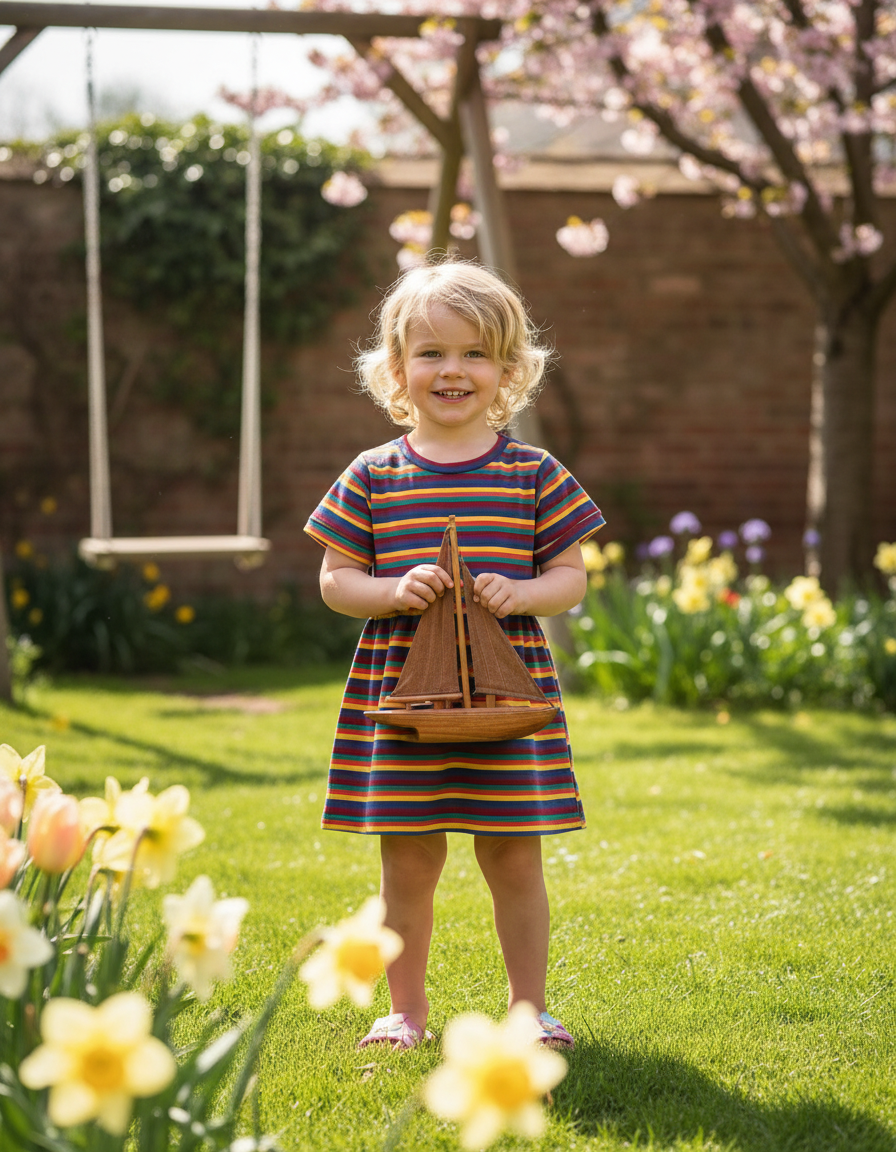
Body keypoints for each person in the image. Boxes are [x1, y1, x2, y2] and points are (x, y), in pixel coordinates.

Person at [305, 260, 605, 1052]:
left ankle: (527, 1009)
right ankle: (404, 1013)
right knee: (407, 861)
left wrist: (526, 593)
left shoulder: (532, 473)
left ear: (508, 370)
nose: (452, 370)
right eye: (431, 352)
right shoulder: (373, 475)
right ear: (397, 368)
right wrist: (390, 591)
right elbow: (335, 580)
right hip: (404, 699)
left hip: (509, 703)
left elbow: (571, 577)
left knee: (513, 853)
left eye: (475, 354)